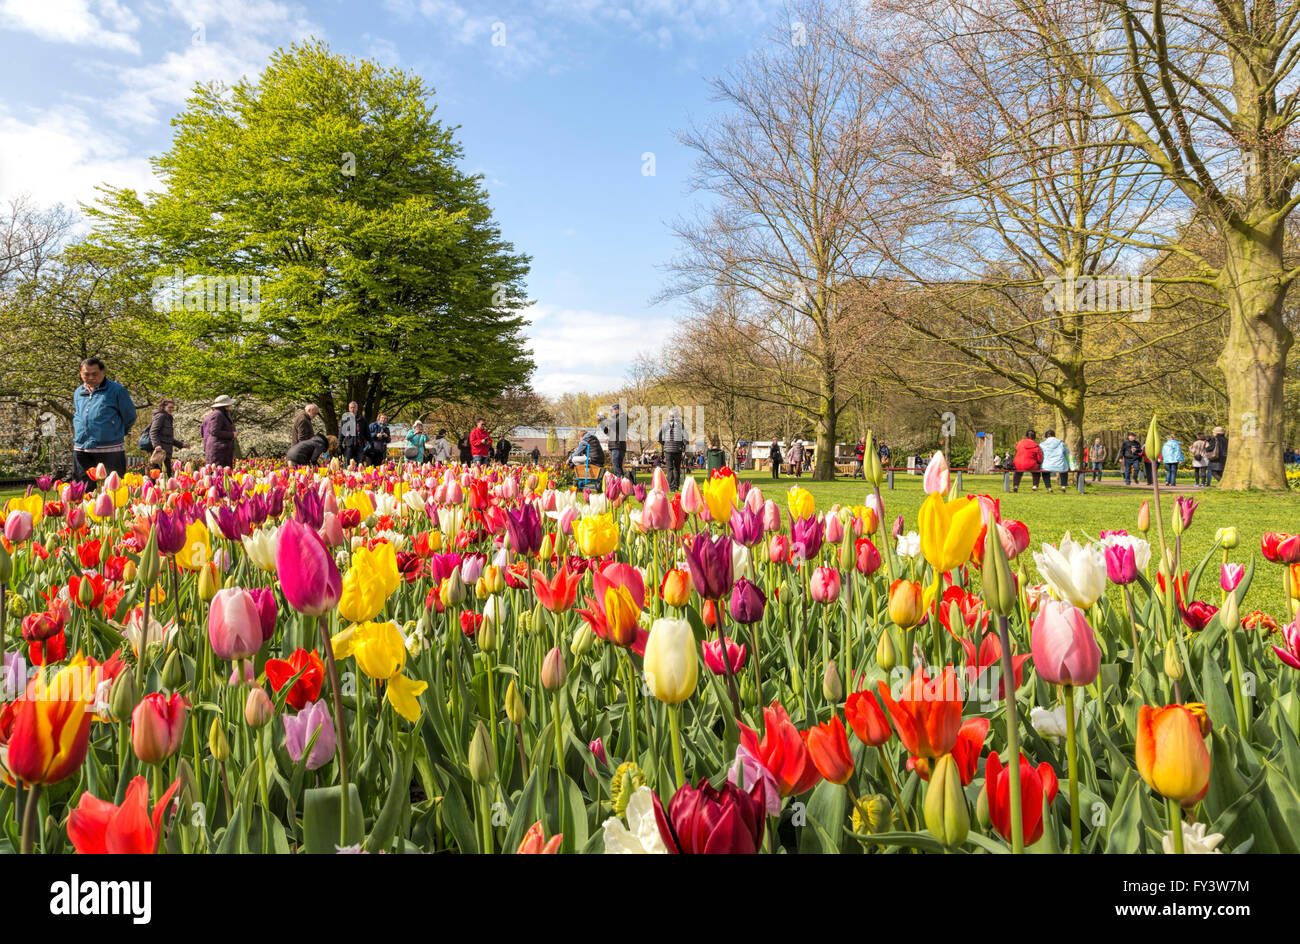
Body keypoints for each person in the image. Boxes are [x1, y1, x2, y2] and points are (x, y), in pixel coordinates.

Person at [72, 357, 137, 484]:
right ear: (80, 374)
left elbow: (130, 416)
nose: (90, 377)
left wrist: (115, 432)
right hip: (81, 449)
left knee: (111, 492)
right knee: (82, 492)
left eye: (94, 374)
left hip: (110, 450)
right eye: (86, 374)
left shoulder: (117, 390)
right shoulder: (78, 392)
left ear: (103, 372)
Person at [148, 399, 185, 477]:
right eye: (169, 407)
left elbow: (168, 437)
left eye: (172, 408)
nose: (171, 409)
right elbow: (153, 431)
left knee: (166, 475)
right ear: (163, 407)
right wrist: (156, 445)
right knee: (158, 475)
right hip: (160, 451)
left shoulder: (168, 418)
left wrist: (181, 445)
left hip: (167, 451)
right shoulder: (160, 416)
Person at [202, 395, 237, 468]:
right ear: (225, 405)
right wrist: (232, 434)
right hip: (218, 451)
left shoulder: (220, 414)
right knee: (219, 473)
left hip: (221, 449)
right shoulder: (218, 414)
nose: (231, 405)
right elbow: (214, 431)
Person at [658, 408, 688, 490]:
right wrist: (683, 445)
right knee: (677, 468)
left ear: (669, 416)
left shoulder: (664, 424)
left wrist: (664, 444)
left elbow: (658, 437)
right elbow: (686, 437)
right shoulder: (680, 424)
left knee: (669, 469)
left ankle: (671, 487)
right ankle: (676, 486)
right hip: (678, 449)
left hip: (668, 450)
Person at [1011, 428, 1044, 492]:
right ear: (1034, 437)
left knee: (1018, 472)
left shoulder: (1020, 443)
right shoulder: (1036, 446)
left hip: (1018, 463)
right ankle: (1035, 486)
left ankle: (1015, 486)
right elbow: (1040, 458)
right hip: (1031, 464)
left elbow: (1016, 448)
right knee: (1036, 473)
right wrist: (1039, 462)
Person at [340, 401, 368, 467]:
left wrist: (370, 443)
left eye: (354, 407)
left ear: (357, 408)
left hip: (359, 445)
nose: (352, 409)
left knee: (360, 465)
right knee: (347, 464)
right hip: (349, 445)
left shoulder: (362, 420)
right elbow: (341, 433)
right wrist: (339, 444)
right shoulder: (345, 419)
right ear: (349, 409)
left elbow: (367, 433)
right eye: (351, 408)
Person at [605, 404, 627, 478]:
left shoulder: (623, 416)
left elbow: (614, 424)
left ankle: (621, 484)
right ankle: (623, 485)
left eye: (612, 410)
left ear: (617, 409)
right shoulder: (613, 420)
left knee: (616, 468)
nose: (610, 412)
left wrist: (605, 419)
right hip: (614, 446)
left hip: (618, 446)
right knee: (617, 468)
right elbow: (607, 432)